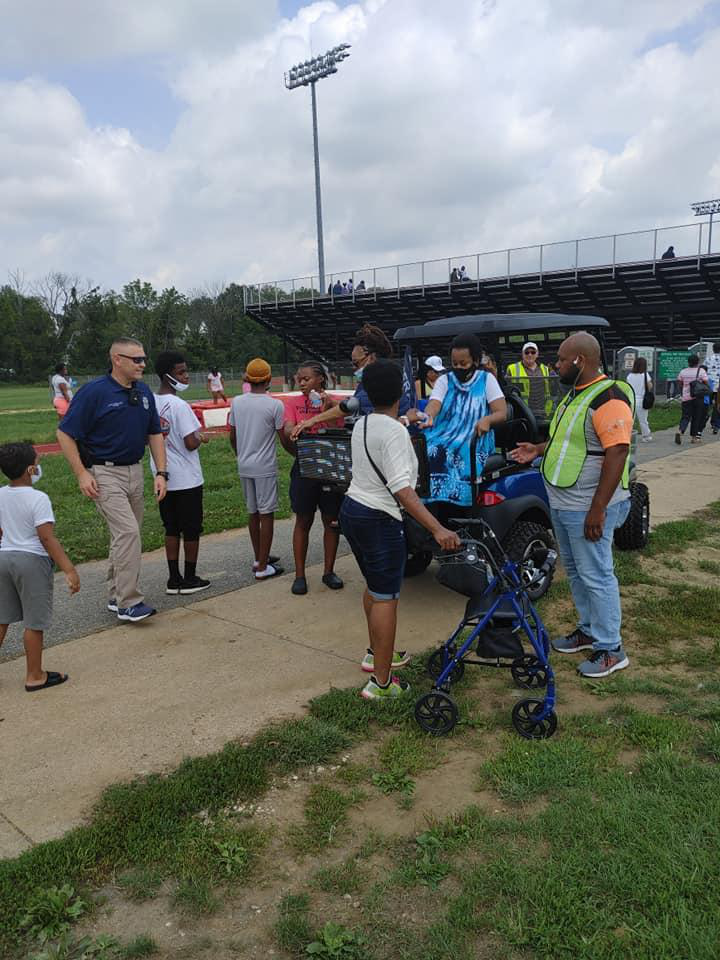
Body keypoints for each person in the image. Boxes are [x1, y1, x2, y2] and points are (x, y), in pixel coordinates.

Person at [510, 332, 633, 679]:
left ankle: (611, 648)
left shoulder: (608, 397)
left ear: (580, 360)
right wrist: (538, 448)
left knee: (597, 575)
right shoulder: (575, 396)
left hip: (587, 506)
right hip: (564, 503)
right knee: (577, 572)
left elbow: (618, 452)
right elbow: (566, 439)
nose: (556, 365)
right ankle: (588, 630)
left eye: (561, 360)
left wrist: (598, 508)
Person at [339, 360, 461, 700]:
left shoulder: (363, 423)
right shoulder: (393, 432)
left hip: (353, 509)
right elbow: (402, 490)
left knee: (375, 588)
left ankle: (376, 653)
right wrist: (437, 529)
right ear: (402, 393)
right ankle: (381, 683)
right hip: (379, 518)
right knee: (386, 596)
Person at [56, 336, 167, 623]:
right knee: (128, 533)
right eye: (136, 359)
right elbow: (65, 433)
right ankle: (129, 602)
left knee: (125, 535)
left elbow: (154, 432)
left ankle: (115, 594)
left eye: (144, 358)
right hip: (104, 472)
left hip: (134, 469)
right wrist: (82, 473)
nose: (143, 364)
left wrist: (161, 473)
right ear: (117, 359)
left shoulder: (143, 391)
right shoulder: (94, 392)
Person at [0, 443, 80, 691]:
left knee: (2, 618)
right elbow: (47, 538)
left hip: (4, 557)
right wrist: (69, 569)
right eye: (37, 462)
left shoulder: (1, 493)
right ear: (30, 470)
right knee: (34, 622)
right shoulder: (38, 498)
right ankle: (35, 675)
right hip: (31, 561)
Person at [415, 333, 507, 508]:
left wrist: (487, 420)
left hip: (475, 433)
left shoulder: (487, 380)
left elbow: (501, 412)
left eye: (463, 363)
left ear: (475, 360)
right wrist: (428, 416)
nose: (458, 367)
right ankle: (429, 501)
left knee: (459, 448)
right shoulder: (444, 380)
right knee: (427, 446)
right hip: (444, 430)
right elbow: (434, 404)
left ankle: (460, 500)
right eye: (454, 363)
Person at [283, 361, 345, 596]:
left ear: (320, 379)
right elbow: (288, 427)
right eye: (299, 379)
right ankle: (299, 576)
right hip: (305, 467)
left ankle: (329, 572)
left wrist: (329, 407)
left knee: (331, 521)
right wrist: (293, 430)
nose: (301, 382)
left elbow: (338, 427)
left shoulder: (334, 403)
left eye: (306, 378)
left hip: (328, 467)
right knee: (303, 520)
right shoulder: (293, 403)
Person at [153, 351, 211, 595]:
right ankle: (190, 577)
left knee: (171, 527)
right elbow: (189, 442)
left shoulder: (152, 402)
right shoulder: (180, 405)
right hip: (187, 478)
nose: (186, 376)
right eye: (181, 372)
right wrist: (200, 437)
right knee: (191, 528)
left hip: (162, 475)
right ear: (167, 376)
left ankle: (173, 577)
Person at [229, 358, 291, 580]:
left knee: (252, 512)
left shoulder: (237, 402)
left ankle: (259, 557)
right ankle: (263, 566)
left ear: (247, 378)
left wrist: (240, 454)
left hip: (244, 464)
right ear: (268, 379)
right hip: (264, 466)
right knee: (267, 514)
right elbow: (282, 436)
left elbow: (233, 435)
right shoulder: (274, 405)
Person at [291, 324, 411, 437]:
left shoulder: (384, 380)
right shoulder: (366, 383)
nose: (354, 368)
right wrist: (332, 402)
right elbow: (356, 407)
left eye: (356, 363)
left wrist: (312, 421)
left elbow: (349, 406)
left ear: (371, 358)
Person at [505, 343, 553, 419]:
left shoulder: (545, 369)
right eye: (526, 352)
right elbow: (507, 390)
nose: (530, 355)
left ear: (537, 354)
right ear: (522, 354)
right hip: (523, 412)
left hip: (542, 412)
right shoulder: (512, 368)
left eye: (533, 352)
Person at [675, 354, 709, 444]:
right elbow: (706, 382)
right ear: (697, 362)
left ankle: (680, 431)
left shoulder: (683, 371)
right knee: (696, 417)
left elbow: (680, 383)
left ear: (688, 362)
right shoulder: (701, 371)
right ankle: (694, 438)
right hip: (698, 397)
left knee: (685, 416)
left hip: (686, 398)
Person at [625, 357, 653, 442]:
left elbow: (627, 387)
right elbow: (649, 386)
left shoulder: (629, 376)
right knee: (643, 420)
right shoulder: (645, 375)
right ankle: (646, 436)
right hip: (641, 400)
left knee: (630, 420)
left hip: (631, 399)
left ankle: (627, 436)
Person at [704, 342, 720, 434]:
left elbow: (703, 370)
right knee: (718, 405)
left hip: (708, 385)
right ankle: (715, 424)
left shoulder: (708, 359)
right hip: (719, 387)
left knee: (707, 403)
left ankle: (705, 418)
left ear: (713, 349)